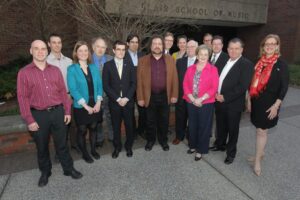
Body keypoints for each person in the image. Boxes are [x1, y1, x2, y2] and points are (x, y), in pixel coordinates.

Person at [17, 40, 82, 187]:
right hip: (38, 115)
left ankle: (68, 168)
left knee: (62, 144)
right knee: (42, 146)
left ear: (47, 51)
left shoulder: (55, 70)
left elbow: (62, 92)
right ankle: (45, 172)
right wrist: (29, 119)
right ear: (31, 51)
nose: (40, 51)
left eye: (43, 49)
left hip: (58, 112)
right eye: (36, 49)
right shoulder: (24, 73)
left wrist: (67, 111)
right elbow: (22, 98)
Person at [247, 34, 289, 176]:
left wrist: (276, 105)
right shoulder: (257, 61)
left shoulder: (281, 65)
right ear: (263, 46)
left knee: (261, 131)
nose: (270, 46)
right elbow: (251, 83)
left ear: (277, 46)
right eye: (267, 44)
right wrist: (248, 99)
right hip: (256, 101)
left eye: (273, 43)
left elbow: (284, 87)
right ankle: (260, 153)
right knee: (259, 129)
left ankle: (257, 160)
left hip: (270, 104)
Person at [214, 38, 254, 164]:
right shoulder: (225, 60)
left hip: (233, 104)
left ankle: (231, 153)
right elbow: (217, 79)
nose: (233, 51)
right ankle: (220, 144)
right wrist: (215, 92)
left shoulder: (246, 64)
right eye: (231, 48)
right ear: (227, 49)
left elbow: (242, 86)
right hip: (219, 100)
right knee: (220, 125)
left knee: (232, 129)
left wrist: (224, 96)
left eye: (237, 48)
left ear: (242, 49)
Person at [137, 35, 178, 151]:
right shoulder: (142, 60)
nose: (157, 46)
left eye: (159, 44)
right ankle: (150, 140)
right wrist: (140, 97)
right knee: (150, 121)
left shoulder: (170, 59)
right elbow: (139, 81)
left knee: (164, 121)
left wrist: (174, 94)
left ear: (163, 46)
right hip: (149, 96)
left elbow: (174, 78)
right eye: (154, 44)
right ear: (151, 46)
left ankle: (163, 140)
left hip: (165, 96)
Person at [67, 41, 103, 163]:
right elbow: (73, 89)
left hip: (95, 103)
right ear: (76, 53)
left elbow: (99, 85)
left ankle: (93, 150)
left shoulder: (93, 67)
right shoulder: (72, 69)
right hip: (81, 105)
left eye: (85, 50)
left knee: (93, 127)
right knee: (82, 130)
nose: (83, 53)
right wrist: (86, 106)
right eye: (80, 50)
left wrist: (98, 102)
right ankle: (84, 153)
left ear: (89, 53)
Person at [183, 45, 219, 161]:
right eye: (201, 54)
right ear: (197, 55)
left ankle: (200, 149)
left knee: (204, 126)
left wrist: (201, 99)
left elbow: (214, 88)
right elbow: (185, 85)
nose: (203, 57)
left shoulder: (213, 69)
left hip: (206, 103)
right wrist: (193, 99)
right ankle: (192, 145)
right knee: (192, 125)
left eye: (205, 54)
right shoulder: (190, 69)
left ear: (208, 56)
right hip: (191, 102)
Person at [46, 33, 79, 154]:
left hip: (70, 96)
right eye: (54, 42)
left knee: (74, 124)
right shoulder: (45, 62)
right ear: (49, 44)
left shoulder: (69, 61)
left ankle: (75, 145)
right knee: (59, 127)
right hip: (56, 100)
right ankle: (60, 151)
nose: (57, 45)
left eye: (59, 42)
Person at [103, 40, 136, 158]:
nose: (121, 52)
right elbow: (106, 86)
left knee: (129, 126)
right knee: (115, 127)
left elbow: (133, 83)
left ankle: (129, 147)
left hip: (128, 102)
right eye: (118, 49)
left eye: (123, 49)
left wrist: (126, 98)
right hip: (115, 103)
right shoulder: (107, 66)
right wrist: (117, 99)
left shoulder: (130, 64)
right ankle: (117, 147)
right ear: (113, 50)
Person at [173, 40, 198, 145]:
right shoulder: (180, 62)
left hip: (195, 97)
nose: (190, 49)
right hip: (182, 95)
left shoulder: (202, 61)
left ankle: (191, 137)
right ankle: (179, 136)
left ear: (197, 48)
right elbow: (176, 80)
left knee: (193, 118)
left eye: (192, 47)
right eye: (188, 47)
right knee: (180, 117)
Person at [91, 37, 114, 147]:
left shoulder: (111, 59)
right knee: (98, 118)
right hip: (95, 95)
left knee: (110, 116)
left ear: (106, 48)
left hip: (109, 94)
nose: (100, 49)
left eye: (103, 47)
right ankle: (99, 138)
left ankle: (112, 136)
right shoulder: (88, 60)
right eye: (98, 46)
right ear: (93, 47)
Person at [209, 35, 229, 149]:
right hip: (208, 95)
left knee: (221, 120)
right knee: (209, 118)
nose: (216, 46)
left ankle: (220, 143)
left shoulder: (227, 58)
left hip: (219, 95)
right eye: (214, 44)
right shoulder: (208, 56)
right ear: (211, 45)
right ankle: (209, 137)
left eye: (218, 44)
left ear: (222, 45)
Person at [124, 34, 146, 139]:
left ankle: (141, 130)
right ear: (127, 43)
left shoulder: (142, 55)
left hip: (141, 88)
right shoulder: (123, 55)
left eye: (136, 42)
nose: (134, 44)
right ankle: (132, 132)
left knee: (143, 111)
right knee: (130, 111)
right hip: (128, 88)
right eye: (132, 42)